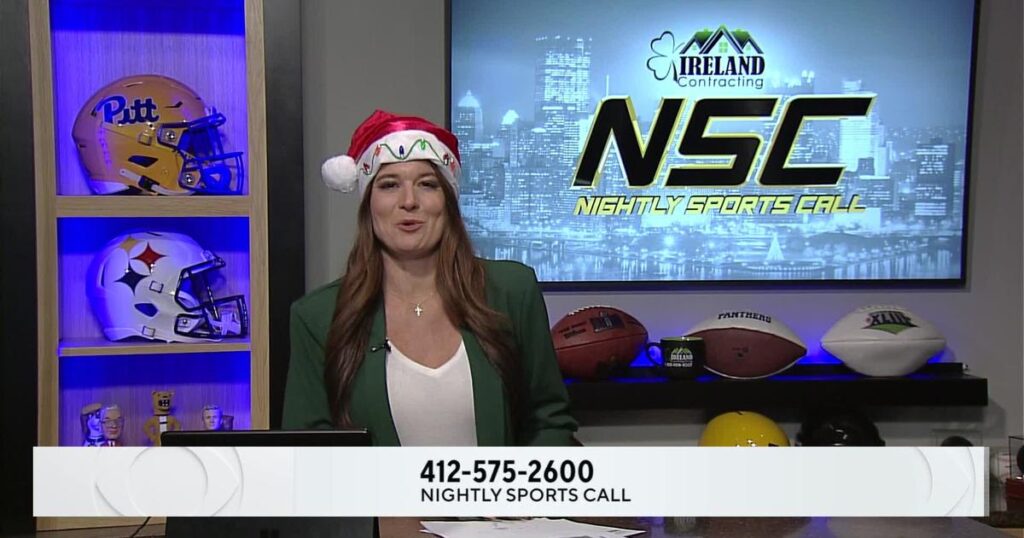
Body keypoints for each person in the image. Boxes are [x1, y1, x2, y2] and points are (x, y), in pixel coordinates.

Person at [282, 110, 577, 446]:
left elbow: (549, 421)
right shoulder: (317, 317)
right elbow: (308, 448)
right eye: (389, 185)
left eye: (427, 184)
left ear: (447, 202)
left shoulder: (511, 291)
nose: (409, 202)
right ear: (368, 204)